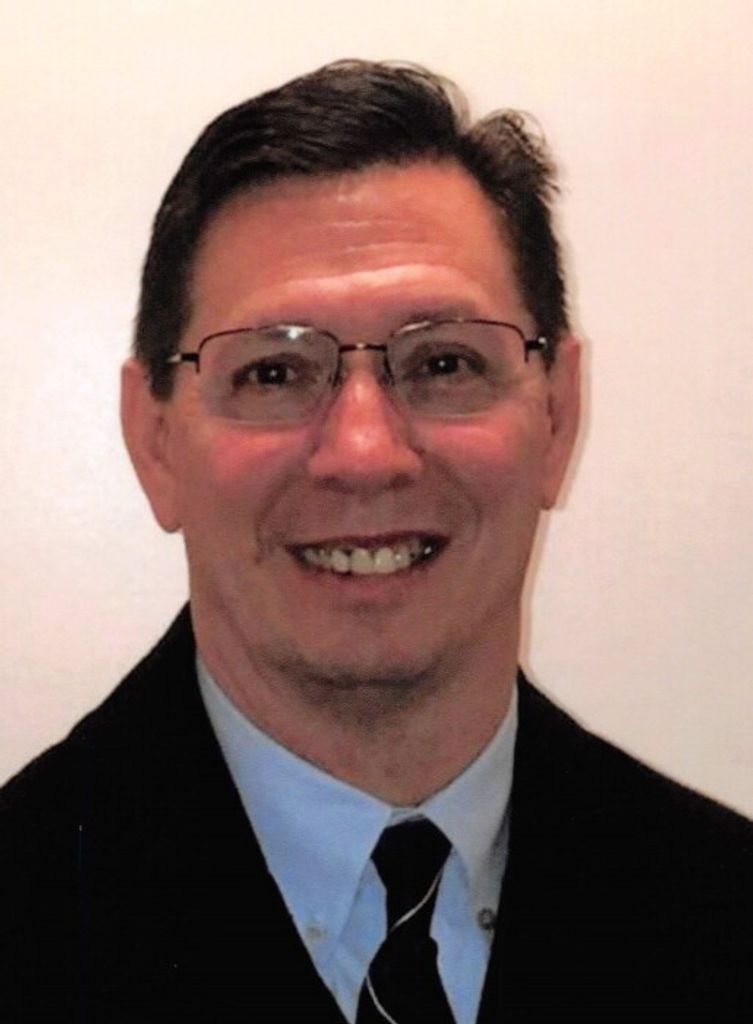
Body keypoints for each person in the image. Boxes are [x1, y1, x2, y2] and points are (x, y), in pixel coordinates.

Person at [2, 60, 750, 1023]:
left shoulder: (725, 912)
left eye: (443, 362)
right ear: (154, 442)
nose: (363, 454)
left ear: (557, 416)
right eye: (273, 373)